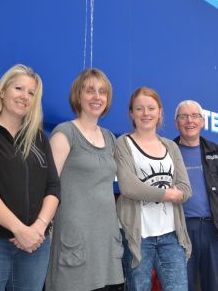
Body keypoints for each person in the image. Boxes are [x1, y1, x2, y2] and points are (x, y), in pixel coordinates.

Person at [0, 64, 61, 291]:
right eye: (19, 88)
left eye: (31, 93)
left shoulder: (39, 138)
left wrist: (37, 228)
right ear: (3, 92)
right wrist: (20, 230)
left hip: (35, 246)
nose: (24, 96)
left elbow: (53, 187)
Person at [45, 69, 124, 291]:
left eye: (102, 92)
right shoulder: (64, 133)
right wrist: (44, 229)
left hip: (106, 241)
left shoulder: (109, 138)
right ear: (78, 95)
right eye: (90, 91)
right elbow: (48, 186)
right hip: (74, 240)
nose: (97, 97)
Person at [115, 86, 192, 291]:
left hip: (171, 235)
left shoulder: (171, 146)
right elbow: (129, 187)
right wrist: (168, 193)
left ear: (160, 112)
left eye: (151, 108)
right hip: (137, 236)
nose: (146, 113)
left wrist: (177, 194)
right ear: (132, 113)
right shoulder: (123, 143)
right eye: (139, 109)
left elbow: (186, 189)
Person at [173, 100, 218, 291]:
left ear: (203, 121)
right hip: (180, 233)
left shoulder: (216, 152)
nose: (190, 121)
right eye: (183, 116)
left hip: (215, 231)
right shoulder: (167, 152)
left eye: (195, 116)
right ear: (176, 123)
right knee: (179, 286)